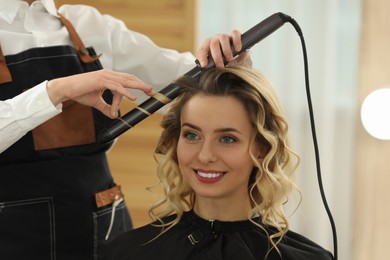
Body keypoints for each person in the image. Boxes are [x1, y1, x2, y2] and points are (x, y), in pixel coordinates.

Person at [0, 0, 247, 259]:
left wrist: (224, 61)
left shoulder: (89, 24)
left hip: (103, 222)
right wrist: (57, 91)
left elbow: (189, 81)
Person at [102, 66, 334, 260]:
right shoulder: (127, 252)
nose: (205, 156)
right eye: (192, 135)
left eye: (227, 139)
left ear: (262, 149)